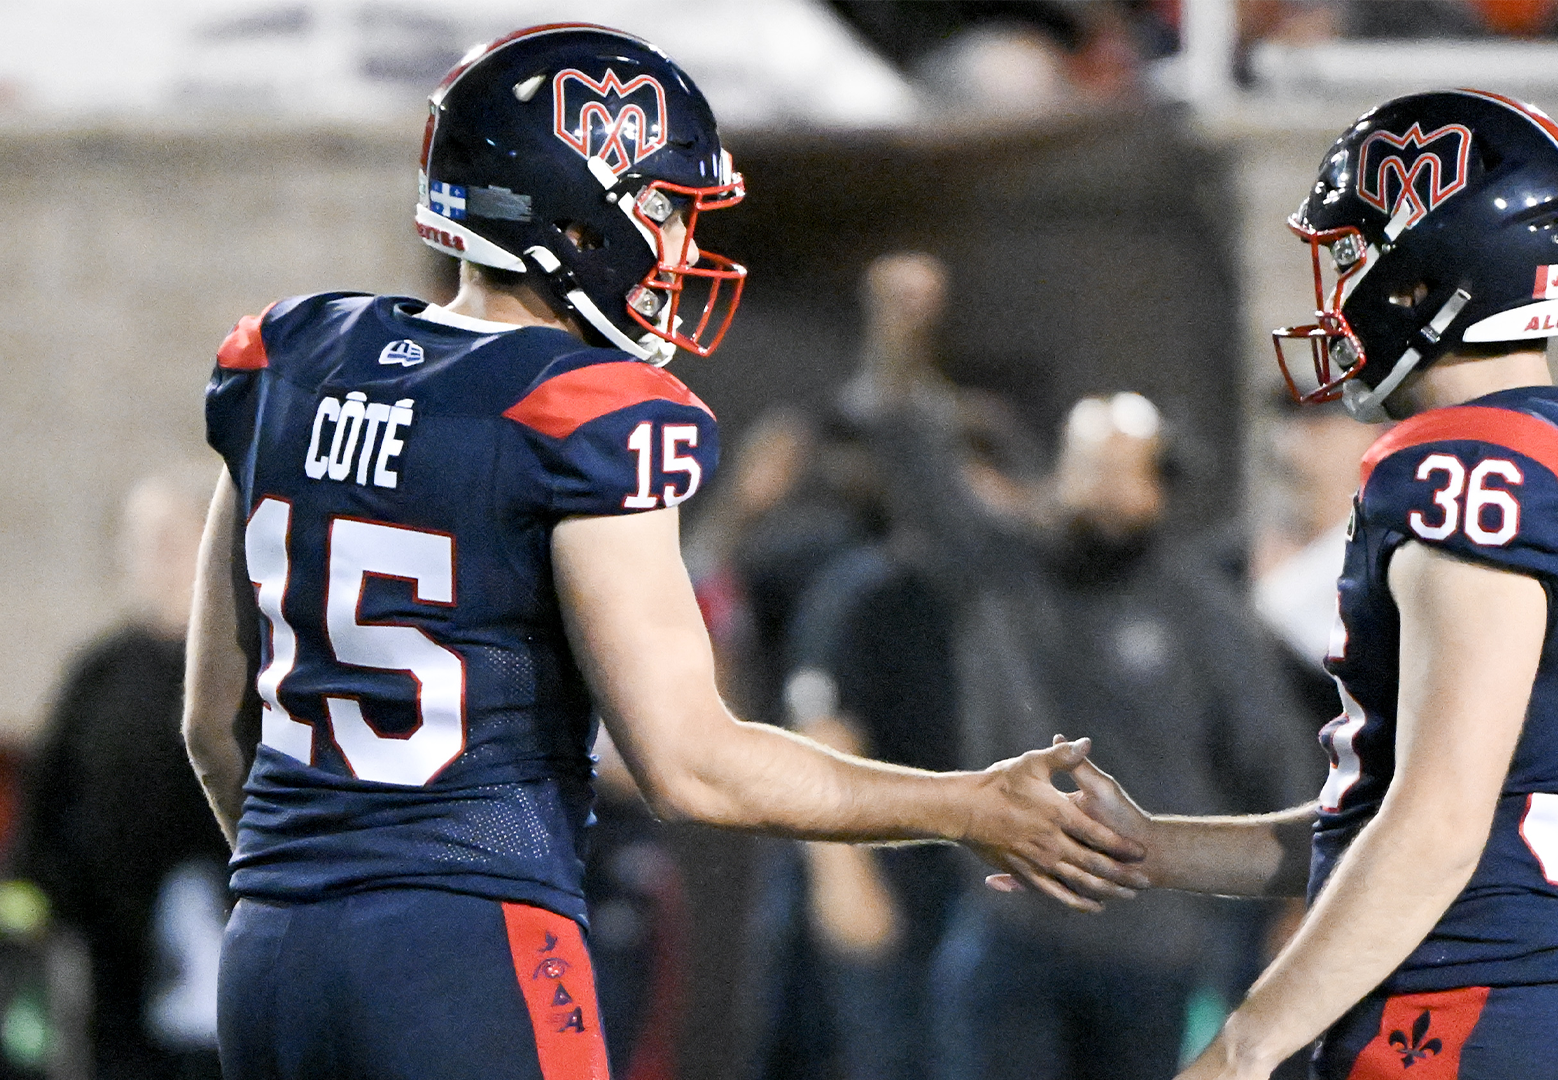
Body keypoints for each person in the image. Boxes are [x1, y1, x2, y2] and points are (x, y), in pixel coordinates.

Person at [179, 24, 1146, 1080]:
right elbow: (691, 765)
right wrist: (965, 806)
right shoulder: (582, 409)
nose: (679, 249)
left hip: (271, 948)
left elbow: (213, 726)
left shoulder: (290, 357)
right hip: (466, 948)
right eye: (662, 209)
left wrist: (322, 892)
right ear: (574, 209)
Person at [1063, 89, 1558, 1080]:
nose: (1340, 290)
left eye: (1354, 255)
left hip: (1457, 1019)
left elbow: (1436, 828)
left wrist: (1243, 1047)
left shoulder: (1470, 469)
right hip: (1557, 1009)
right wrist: (1148, 846)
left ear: (1437, 268)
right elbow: (1393, 818)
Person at [869, 371, 1314, 1080]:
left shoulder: (1204, 613)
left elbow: (1275, 757)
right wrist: (897, 347)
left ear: (1159, 488)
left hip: (1148, 945)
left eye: (1123, 472)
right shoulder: (1004, 573)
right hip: (1011, 928)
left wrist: (1297, 902)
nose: (1104, 491)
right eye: (1088, 469)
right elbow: (916, 471)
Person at [16, 469, 228, 1080]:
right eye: (140, 538)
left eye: (170, 535)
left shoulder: (249, 666)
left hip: (230, 946)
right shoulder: (100, 676)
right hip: (120, 970)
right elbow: (49, 806)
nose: (154, 554)